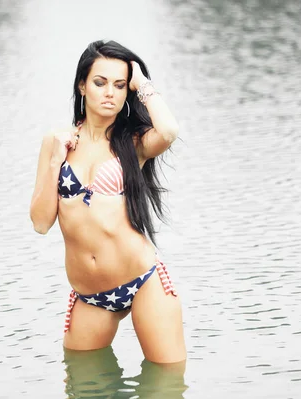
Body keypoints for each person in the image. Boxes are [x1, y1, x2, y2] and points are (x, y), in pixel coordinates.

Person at [30, 39, 186, 364]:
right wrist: (54, 163)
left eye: (119, 85)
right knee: (84, 385)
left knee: (166, 385)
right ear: (82, 85)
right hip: (89, 296)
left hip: (143, 280)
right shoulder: (55, 143)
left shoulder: (134, 142)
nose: (109, 93)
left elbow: (169, 131)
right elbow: (41, 223)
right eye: (100, 83)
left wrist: (141, 82)